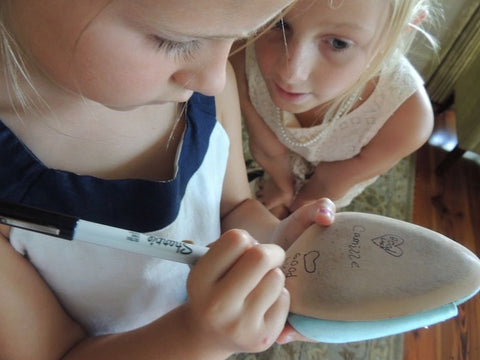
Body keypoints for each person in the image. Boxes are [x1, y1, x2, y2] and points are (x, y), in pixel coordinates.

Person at [0, 1, 337, 359]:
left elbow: (232, 207)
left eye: (240, 36)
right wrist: (196, 338)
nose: (217, 78)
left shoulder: (206, 88)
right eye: (174, 40)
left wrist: (273, 242)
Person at [231, 0, 437, 219]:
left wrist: (298, 206)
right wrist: (282, 186)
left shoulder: (407, 117)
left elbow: (331, 181)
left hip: (332, 180)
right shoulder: (239, 50)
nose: (290, 73)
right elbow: (264, 142)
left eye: (338, 43)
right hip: (274, 161)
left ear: (395, 34)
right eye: (278, 23)